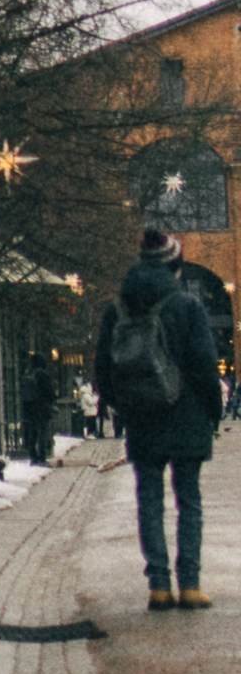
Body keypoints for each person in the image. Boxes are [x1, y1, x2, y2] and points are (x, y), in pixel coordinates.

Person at [95, 224, 221, 611]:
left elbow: (103, 370)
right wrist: (212, 412)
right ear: (174, 266)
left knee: (149, 499)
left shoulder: (118, 309)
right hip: (187, 415)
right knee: (188, 501)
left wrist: (126, 406)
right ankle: (191, 585)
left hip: (142, 417)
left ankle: (159, 587)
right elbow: (205, 367)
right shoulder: (187, 306)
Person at [19, 353, 58, 469]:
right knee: (43, 432)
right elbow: (49, 392)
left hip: (29, 408)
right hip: (42, 407)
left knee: (32, 432)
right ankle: (42, 457)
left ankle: (33, 456)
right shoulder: (43, 375)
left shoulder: (28, 374)